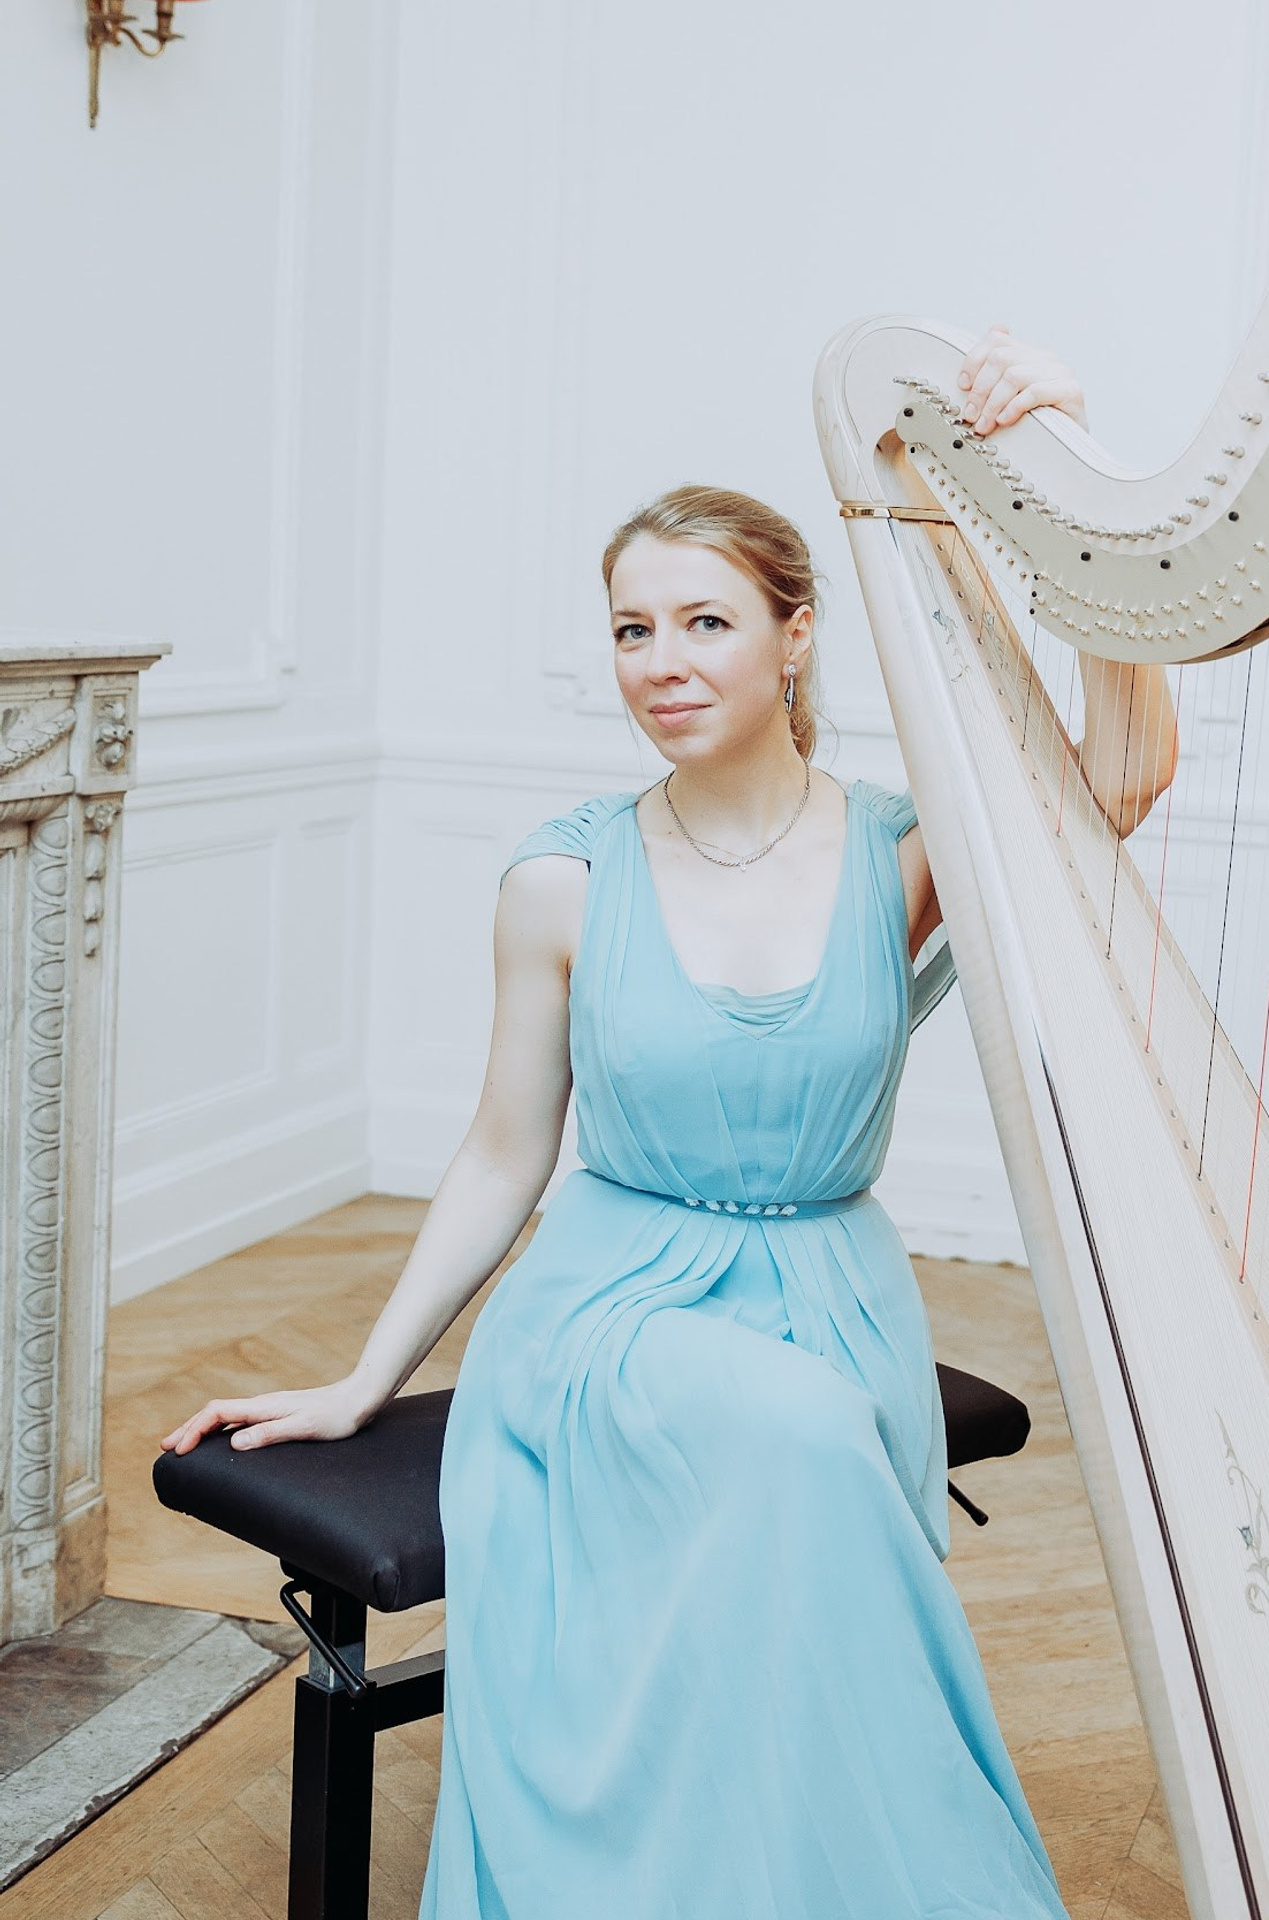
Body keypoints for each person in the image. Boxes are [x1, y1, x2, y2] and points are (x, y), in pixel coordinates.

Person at [160, 324, 1180, 1917]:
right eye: (633, 628)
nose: (663, 661)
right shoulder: (563, 878)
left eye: (706, 620)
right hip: (607, 1315)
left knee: (814, 1452)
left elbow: (1117, 774)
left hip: (834, 1300)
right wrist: (369, 1378)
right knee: (803, 1450)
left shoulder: (905, 853)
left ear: (797, 637)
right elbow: (506, 1152)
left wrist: (1082, 479)